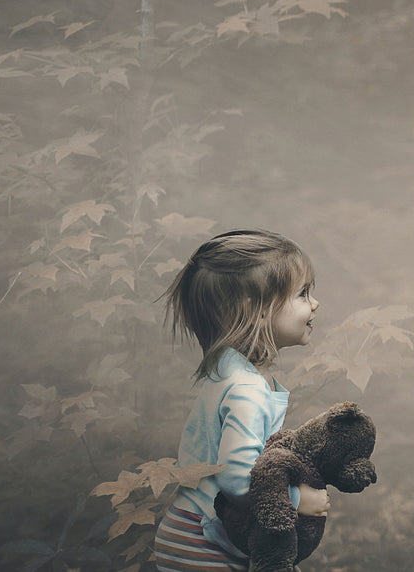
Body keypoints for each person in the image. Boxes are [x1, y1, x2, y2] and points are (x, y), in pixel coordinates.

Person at [152, 230, 330, 571]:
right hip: (204, 543)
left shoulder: (227, 368)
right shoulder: (246, 389)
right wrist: (296, 500)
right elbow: (238, 478)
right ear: (258, 310)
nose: (315, 303)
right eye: (303, 293)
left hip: (191, 529)